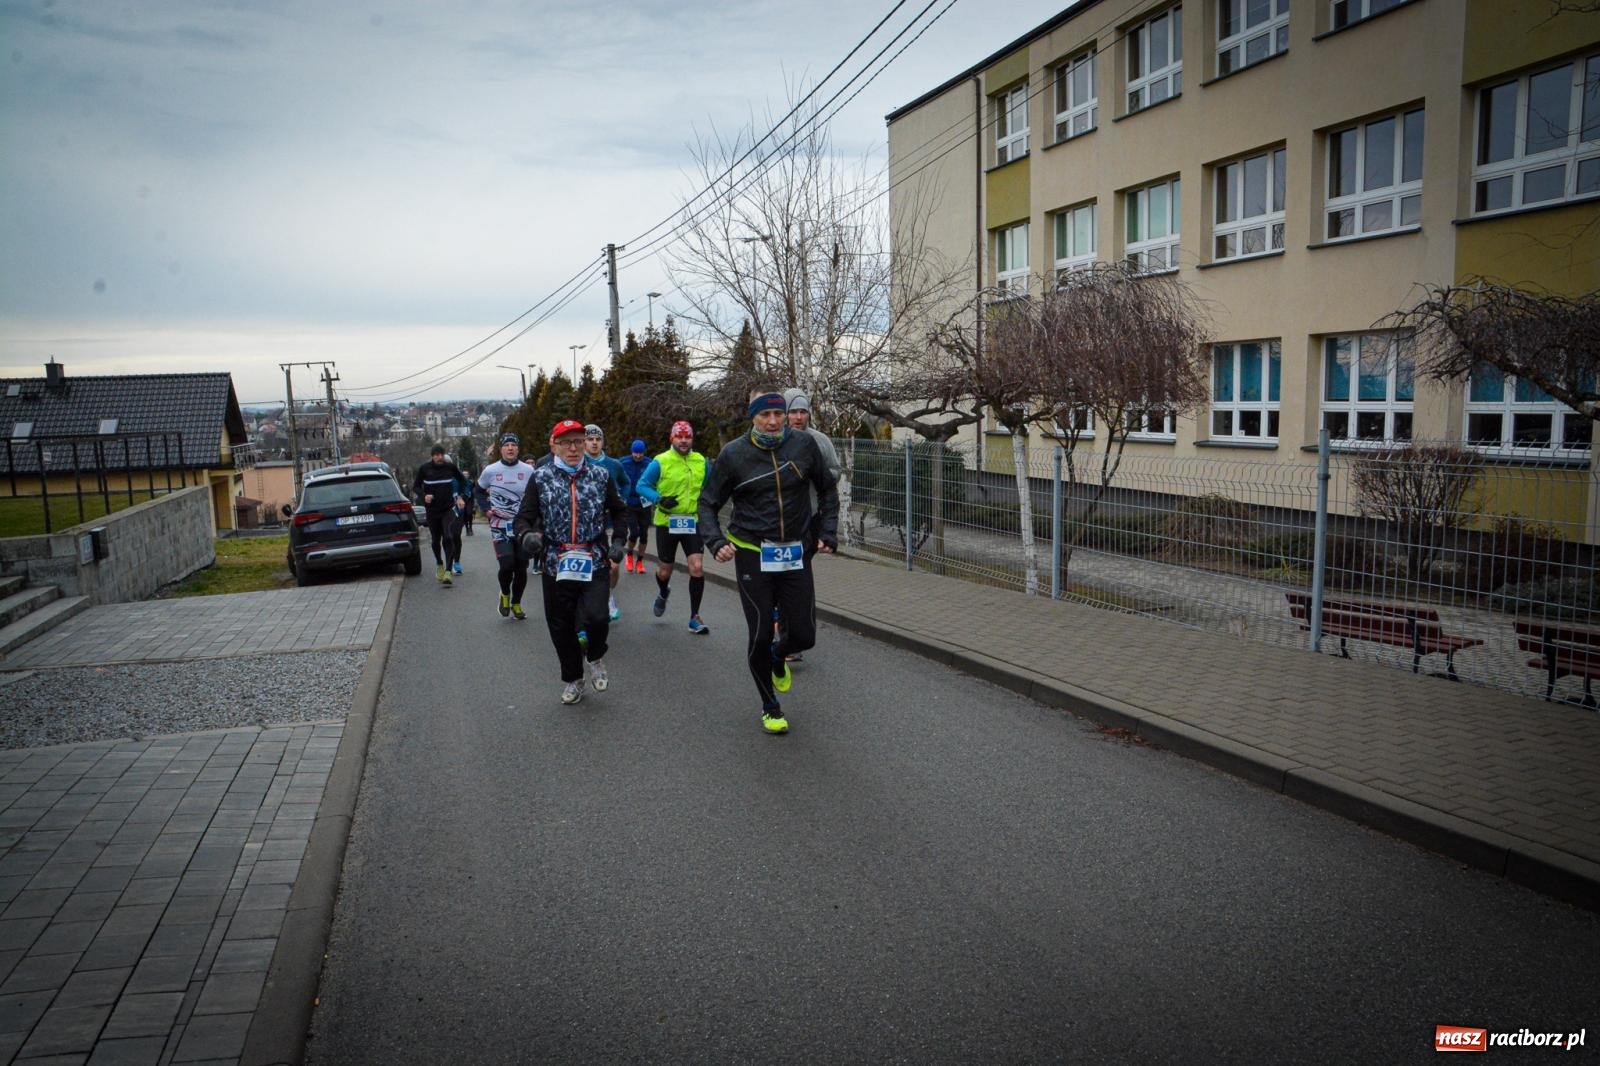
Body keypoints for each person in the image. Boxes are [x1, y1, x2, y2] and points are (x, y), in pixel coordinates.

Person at [700, 392, 838, 735]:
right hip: (752, 551)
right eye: (766, 415)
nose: (774, 421)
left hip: (796, 553)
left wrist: (827, 531)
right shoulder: (734, 454)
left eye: (779, 414)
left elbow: (828, 490)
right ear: (753, 418)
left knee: (804, 635)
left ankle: (780, 655)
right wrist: (716, 542)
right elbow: (707, 504)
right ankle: (770, 705)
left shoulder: (804, 446)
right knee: (760, 634)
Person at [513, 420, 628, 705]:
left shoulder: (600, 476)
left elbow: (620, 512)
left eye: (578, 441)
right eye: (566, 442)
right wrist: (526, 535)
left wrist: (618, 542)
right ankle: (574, 680)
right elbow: (523, 517)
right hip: (556, 562)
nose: (574, 448)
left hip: (594, 558)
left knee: (598, 617)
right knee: (561, 626)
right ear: (554, 445)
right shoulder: (540, 478)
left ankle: (596, 655)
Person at [635, 421, 712, 634]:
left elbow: (710, 487)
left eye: (688, 437)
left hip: (692, 521)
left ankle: (694, 617)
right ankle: (663, 591)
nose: (684, 440)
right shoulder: (660, 461)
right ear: (672, 439)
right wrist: (658, 499)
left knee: (696, 566)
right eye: (680, 437)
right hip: (667, 522)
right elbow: (641, 485)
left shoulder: (701, 462)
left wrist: (707, 507)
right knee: (664, 570)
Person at [475, 433, 537, 619]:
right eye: (506, 445)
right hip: (499, 525)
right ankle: (505, 594)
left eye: (513, 445)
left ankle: (516, 603)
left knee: (521, 567)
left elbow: (536, 495)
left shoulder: (528, 470)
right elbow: (477, 490)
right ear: (501, 449)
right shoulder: (491, 470)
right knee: (507, 564)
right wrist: (486, 508)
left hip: (522, 526)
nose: (510, 448)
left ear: (518, 449)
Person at [583, 424, 631, 622]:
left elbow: (626, 482)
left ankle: (608, 596)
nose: (594, 443)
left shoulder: (614, 464)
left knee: (613, 566)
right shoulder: (578, 462)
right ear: (584, 442)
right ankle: (589, 600)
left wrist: (622, 500)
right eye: (590, 439)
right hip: (588, 524)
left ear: (602, 441)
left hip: (610, 522)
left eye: (598, 439)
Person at [412, 445, 467, 585]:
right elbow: (416, 486)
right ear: (432, 456)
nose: (439, 457)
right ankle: (439, 563)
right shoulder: (425, 469)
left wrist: (460, 496)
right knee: (436, 540)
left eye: (441, 454)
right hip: (432, 510)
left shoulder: (450, 467)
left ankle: (449, 570)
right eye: (436, 455)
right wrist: (424, 496)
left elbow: (463, 481)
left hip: (447, 508)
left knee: (448, 536)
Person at [618, 438, 653, 574]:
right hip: (630, 503)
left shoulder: (649, 463)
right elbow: (616, 478)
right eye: (635, 453)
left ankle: (640, 561)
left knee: (644, 534)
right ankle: (630, 554)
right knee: (634, 533)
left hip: (644, 503)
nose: (638, 456)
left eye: (641, 453)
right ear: (631, 452)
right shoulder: (623, 462)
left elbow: (656, 479)